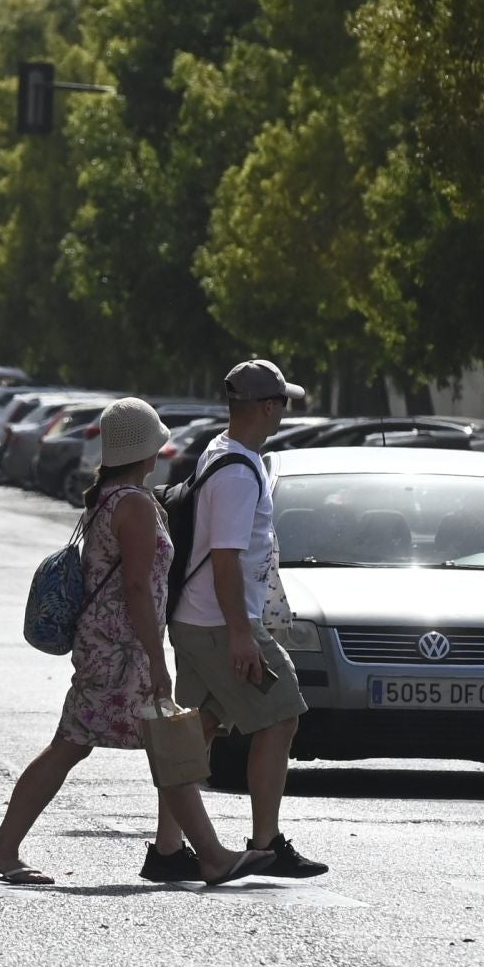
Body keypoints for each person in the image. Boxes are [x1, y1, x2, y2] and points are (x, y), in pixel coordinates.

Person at [0, 399, 273, 887]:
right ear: (147, 448)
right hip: (121, 650)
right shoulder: (132, 504)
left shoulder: (115, 496)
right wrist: (157, 660)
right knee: (158, 744)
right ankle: (211, 856)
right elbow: (136, 587)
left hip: (110, 645)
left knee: (107, 745)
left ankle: (5, 846)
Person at [168, 359, 325, 878]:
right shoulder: (238, 471)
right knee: (282, 716)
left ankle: (168, 851)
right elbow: (225, 558)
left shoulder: (223, 450)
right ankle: (265, 842)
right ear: (266, 407)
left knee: (199, 728)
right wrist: (242, 635)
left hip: (199, 618)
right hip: (220, 622)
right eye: (282, 402)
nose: (285, 410)